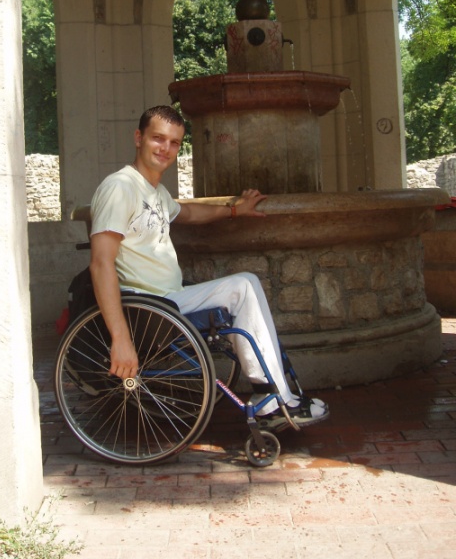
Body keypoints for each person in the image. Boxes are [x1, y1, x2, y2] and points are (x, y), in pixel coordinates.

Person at [89, 105, 328, 429]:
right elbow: (100, 263)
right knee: (243, 286)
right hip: (148, 308)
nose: (166, 148)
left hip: (170, 298)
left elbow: (187, 213)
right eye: (158, 138)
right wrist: (120, 339)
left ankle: (276, 394)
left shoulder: (154, 191)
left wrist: (235, 210)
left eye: (174, 142)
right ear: (138, 138)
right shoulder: (120, 187)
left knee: (245, 286)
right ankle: (274, 400)